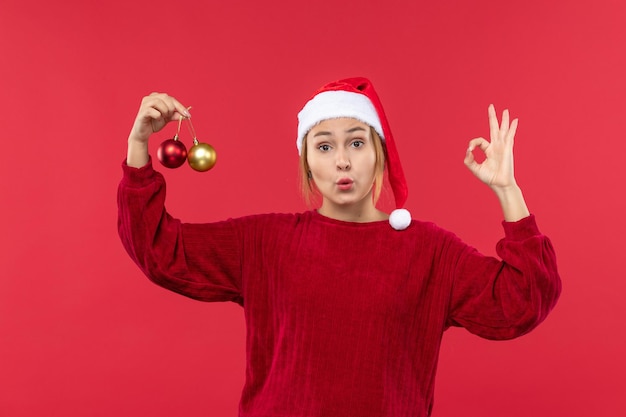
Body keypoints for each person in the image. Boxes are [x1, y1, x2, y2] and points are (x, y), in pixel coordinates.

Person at [118, 77, 561, 417]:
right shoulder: (265, 243)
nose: (342, 160)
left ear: (380, 155)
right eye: (324, 146)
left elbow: (521, 302)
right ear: (307, 162)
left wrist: (508, 190)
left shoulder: (429, 252)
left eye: (356, 142)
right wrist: (139, 145)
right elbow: (159, 249)